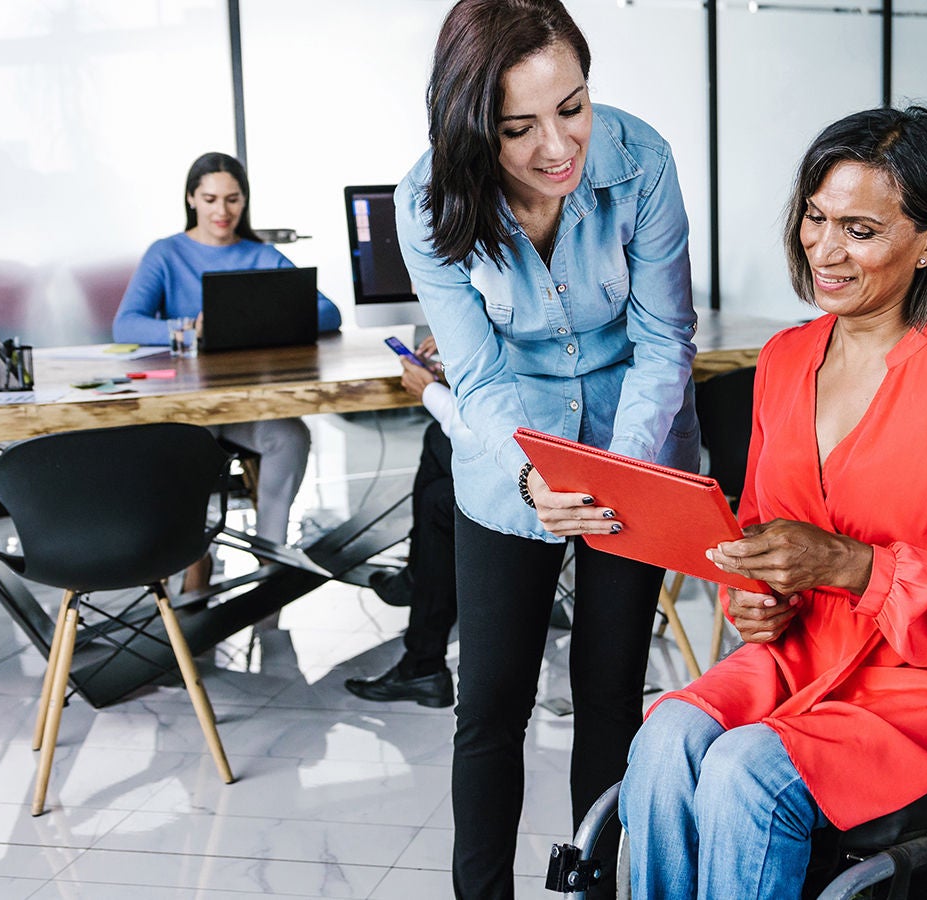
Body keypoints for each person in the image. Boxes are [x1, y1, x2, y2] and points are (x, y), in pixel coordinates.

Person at [617, 105, 927, 898]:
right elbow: (756, 527)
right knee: (665, 741)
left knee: (745, 775)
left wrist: (854, 567)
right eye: (815, 218)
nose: (824, 248)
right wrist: (753, 598)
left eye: (859, 229)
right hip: (805, 653)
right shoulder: (785, 360)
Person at [393, 0, 699, 896]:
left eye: (572, 106)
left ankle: (595, 887)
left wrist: (619, 470)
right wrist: (533, 475)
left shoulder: (641, 161)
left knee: (610, 696)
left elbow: (665, 338)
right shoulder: (427, 200)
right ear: (469, 126)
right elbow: (477, 379)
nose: (558, 147)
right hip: (509, 457)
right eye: (518, 128)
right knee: (489, 709)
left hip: (633, 446)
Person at [114, 152, 342, 589]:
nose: (222, 211)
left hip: (244, 405)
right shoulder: (165, 254)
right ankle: (195, 557)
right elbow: (126, 324)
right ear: (191, 198)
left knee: (291, 436)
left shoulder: (262, 255)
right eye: (211, 198)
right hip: (187, 406)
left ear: (244, 201)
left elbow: (329, 313)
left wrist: (271, 320)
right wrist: (188, 328)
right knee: (189, 449)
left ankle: (270, 558)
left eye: (233, 199)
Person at [346, 336, 460, 707]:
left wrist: (431, 391)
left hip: (543, 482)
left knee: (439, 504)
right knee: (437, 479)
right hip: (543, 460)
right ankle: (422, 661)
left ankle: (423, 662)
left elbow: (485, 431)